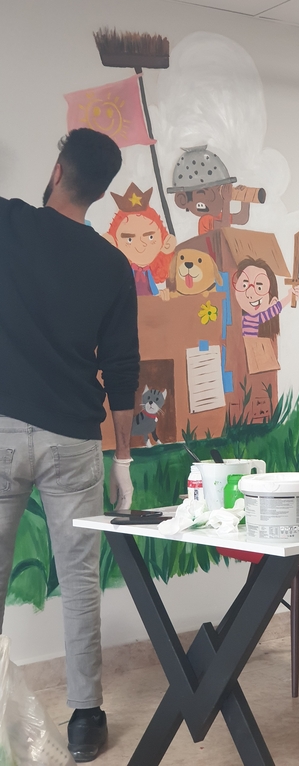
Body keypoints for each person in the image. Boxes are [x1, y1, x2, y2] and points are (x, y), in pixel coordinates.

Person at [0, 128, 139, 761]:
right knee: (80, 581)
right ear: (102, 192)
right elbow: (123, 368)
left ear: (58, 170)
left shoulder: (9, 224)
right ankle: (85, 718)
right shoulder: (112, 266)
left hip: (4, 430)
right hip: (74, 441)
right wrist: (124, 459)